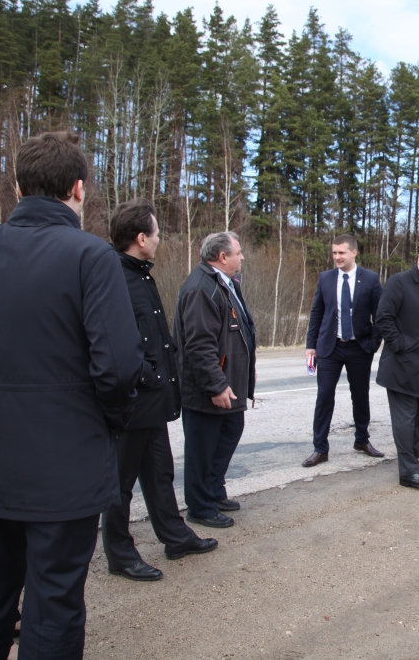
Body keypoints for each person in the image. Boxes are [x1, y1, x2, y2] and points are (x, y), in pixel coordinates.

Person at [0, 131, 143, 658]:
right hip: (66, 468)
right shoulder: (90, 256)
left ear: (17, 185)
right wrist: (104, 420)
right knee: (53, 607)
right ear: (78, 188)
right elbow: (120, 367)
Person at [101, 200, 219, 582]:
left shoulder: (140, 274)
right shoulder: (114, 276)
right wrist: (150, 377)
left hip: (151, 401)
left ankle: (175, 536)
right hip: (132, 401)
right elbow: (117, 341)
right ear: (140, 239)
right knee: (119, 485)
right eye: (155, 234)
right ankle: (120, 554)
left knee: (159, 473)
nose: (158, 240)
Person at [173, 231, 256, 529]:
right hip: (206, 389)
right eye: (238, 252)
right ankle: (200, 506)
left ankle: (213, 490)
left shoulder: (223, 283)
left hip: (228, 383)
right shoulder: (201, 288)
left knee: (230, 430)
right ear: (222, 257)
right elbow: (199, 345)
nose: (242, 256)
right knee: (202, 448)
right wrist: (216, 384)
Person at [303, 234, 385, 467]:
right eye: (334, 253)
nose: (337, 257)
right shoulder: (325, 278)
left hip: (360, 348)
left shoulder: (370, 279)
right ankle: (320, 448)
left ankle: (362, 440)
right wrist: (311, 345)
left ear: (353, 253)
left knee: (360, 395)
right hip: (330, 347)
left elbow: (379, 315)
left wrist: (373, 344)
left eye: (341, 252)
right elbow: (316, 313)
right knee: (324, 396)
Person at [375, 241, 419, 488]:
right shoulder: (400, 282)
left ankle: (413, 465)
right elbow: (384, 318)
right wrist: (401, 345)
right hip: (401, 366)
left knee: (417, 421)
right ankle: (408, 472)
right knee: (405, 422)